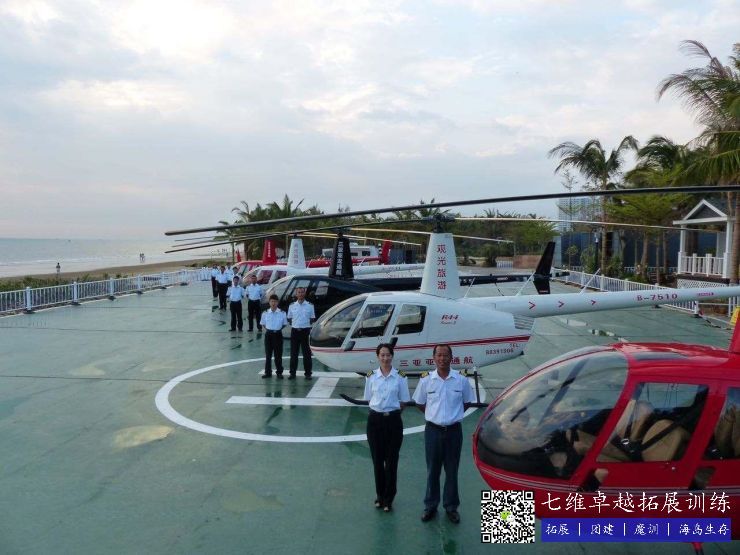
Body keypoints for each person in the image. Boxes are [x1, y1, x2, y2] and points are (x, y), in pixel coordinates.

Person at [413, 344, 475, 524]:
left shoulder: (461, 380)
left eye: (445, 355)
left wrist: (453, 416)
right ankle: (430, 506)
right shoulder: (426, 380)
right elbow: (420, 403)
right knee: (432, 470)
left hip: (454, 432)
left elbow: (467, 402)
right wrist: (434, 416)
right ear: (434, 358)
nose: (442, 359)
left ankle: (451, 507)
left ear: (451, 358)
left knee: (452, 470)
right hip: (433, 431)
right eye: (439, 355)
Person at [363, 343, 410, 513]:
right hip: (375, 422)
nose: (385, 358)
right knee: (377, 461)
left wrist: (391, 413)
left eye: (388, 355)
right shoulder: (370, 377)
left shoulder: (400, 377)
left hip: (393, 422)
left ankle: (389, 499)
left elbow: (404, 400)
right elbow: (369, 398)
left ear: (392, 356)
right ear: (378, 357)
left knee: (391, 461)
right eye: (382, 355)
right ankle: (380, 495)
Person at [287, 287, 315, 379]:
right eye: (299, 292)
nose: (300, 294)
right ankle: (292, 373)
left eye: (302, 292)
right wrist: (296, 325)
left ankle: (308, 374)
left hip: (305, 331)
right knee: (293, 354)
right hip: (295, 331)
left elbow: (312, 319)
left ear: (305, 293)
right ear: (296, 294)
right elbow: (289, 318)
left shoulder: (310, 306)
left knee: (307, 354)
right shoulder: (291, 306)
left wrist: (304, 325)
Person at [260, 294, 288, 378]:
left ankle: (279, 372)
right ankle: (268, 372)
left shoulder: (282, 313)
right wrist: (270, 329)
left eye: (275, 301)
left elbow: (284, 324)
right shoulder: (265, 313)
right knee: (268, 355)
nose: (273, 303)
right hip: (268, 335)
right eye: (272, 301)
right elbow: (263, 324)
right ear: (269, 302)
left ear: (277, 302)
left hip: (278, 335)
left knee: (278, 355)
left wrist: (277, 329)